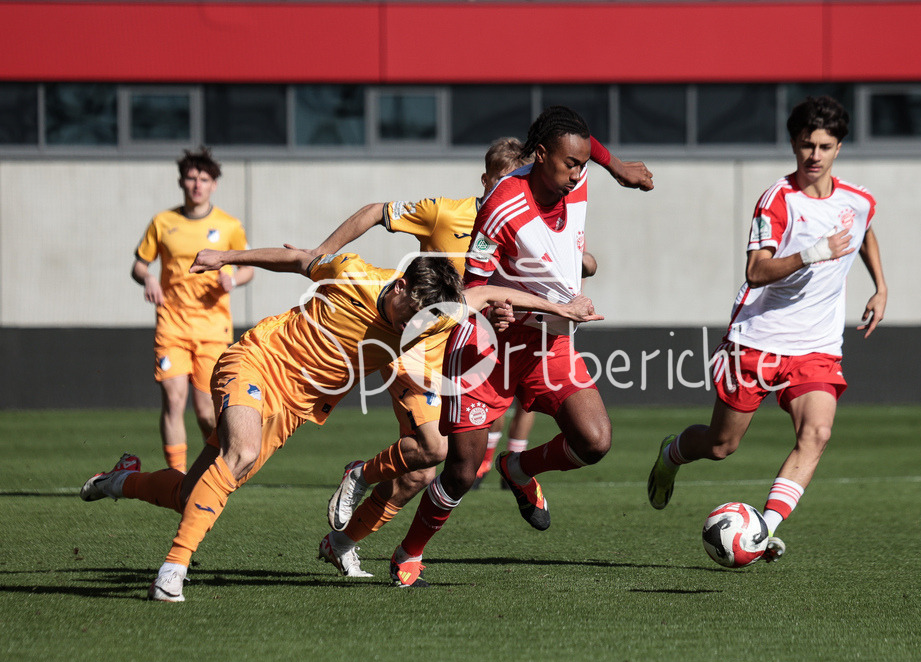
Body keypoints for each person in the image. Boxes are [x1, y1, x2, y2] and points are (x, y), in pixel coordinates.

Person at [81, 245, 600, 602]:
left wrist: (564, 307)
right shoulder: (352, 272)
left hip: (294, 407)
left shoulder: (431, 311)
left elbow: (485, 299)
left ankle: (119, 479)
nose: (408, 325)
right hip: (256, 361)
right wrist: (225, 257)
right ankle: (173, 570)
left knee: (190, 492)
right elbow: (294, 256)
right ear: (398, 285)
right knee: (237, 456)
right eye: (405, 313)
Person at [315, 136, 651, 576]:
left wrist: (579, 259)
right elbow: (382, 216)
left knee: (423, 469)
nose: (510, 186)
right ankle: (366, 484)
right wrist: (323, 252)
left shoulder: (539, 207)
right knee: (442, 459)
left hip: (529, 344)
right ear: (486, 180)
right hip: (437, 355)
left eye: (518, 177)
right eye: (501, 179)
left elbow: (573, 255)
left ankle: (344, 541)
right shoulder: (453, 212)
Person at [385, 105, 623, 588]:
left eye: (583, 164)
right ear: (539, 156)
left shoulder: (573, 177)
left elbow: (584, 140)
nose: (578, 174)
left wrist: (617, 167)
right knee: (462, 471)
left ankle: (519, 467)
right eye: (570, 164)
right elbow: (472, 291)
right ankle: (408, 553)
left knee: (595, 441)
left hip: (546, 343)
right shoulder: (500, 207)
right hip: (485, 349)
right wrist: (500, 311)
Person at [647, 95, 888, 563]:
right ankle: (671, 454)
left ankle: (762, 529)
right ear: (793, 145)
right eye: (805, 145)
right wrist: (813, 253)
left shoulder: (858, 201)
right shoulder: (777, 201)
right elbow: (755, 272)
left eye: (824, 145)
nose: (814, 155)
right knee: (721, 446)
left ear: (839, 147)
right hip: (758, 340)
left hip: (816, 345)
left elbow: (865, 231)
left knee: (816, 434)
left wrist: (881, 287)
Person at [132, 148, 253, 472]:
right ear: (181, 182)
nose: (197, 184)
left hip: (212, 328)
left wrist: (234, 280)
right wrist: (148, 279)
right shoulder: (163, 222)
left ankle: (212, 471)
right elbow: (139, 266)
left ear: (213, 184)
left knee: (205, 411)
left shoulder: (228, 225)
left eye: (204, 179)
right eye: (191, 178)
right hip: (172, 324)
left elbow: (248, 269)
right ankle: (175, 476)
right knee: (173, 400)